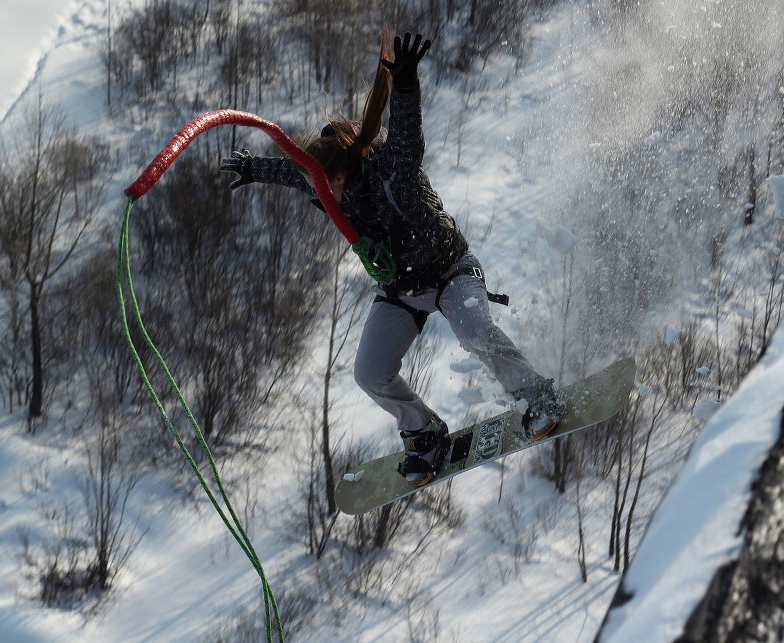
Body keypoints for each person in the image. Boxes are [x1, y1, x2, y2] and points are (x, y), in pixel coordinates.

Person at [219, 32, 561, 486]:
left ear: (340, 176)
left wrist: (404, 84)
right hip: (402, 290)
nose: (317, 195)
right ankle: (424, 432)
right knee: (369, 372)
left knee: (475, 333)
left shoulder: (391, 171)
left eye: (322, 187)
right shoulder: (325, 185)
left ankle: (534, 395)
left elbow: (406, 135)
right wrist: (252, 169)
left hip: (449, 272)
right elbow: (291, 171)